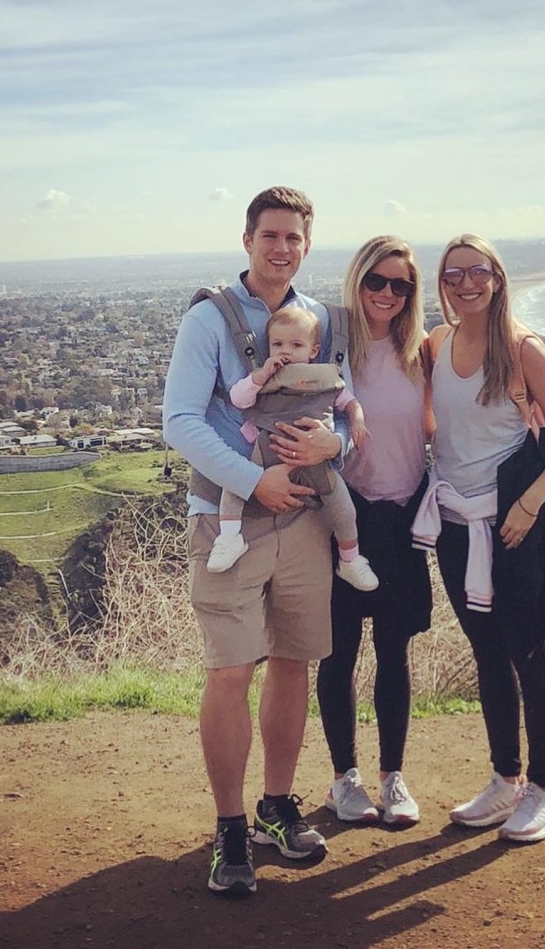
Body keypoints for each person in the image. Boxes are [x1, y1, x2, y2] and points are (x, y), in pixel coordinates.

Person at [163, 186, 345, 896]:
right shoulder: (210, 318)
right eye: (270, 235)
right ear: (247, 240)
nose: (282, 248)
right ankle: (230, 826)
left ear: (307, 244)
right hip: (227, 517)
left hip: (302, 515)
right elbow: (180, 419)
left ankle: (276, 804)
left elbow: (339, 403)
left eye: (294, 237)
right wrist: (252, 479)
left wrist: (337, 441)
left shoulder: (318, 318)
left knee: (293, 662)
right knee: (232, 670)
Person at [415, 233, 545, 843]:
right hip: (456, 523)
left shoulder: (521, 350)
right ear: (443, 284)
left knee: (527, 651)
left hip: (514, 526)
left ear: (497, 278)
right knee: (487, 652)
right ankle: (506, 780)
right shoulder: (437, 343)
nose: (467, 283)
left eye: (478, 271)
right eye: (454, 274)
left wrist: (529, 503)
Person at [315, 237, 433, 827]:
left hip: (403, 515)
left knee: (394, 651)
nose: (387, 293)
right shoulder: (331, 347)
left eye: (400, 285)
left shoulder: (422, 353)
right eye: (376, 281)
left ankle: (392, 777)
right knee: (338, 653)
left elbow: (483, 374)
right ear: (357, 280)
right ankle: (344, 780)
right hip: (344, 519)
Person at [207, 303, 378, 592]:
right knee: (234, 484)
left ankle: (350, 559)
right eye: (278, 344)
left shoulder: (327, 378)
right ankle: (229, 537)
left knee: (343, 508)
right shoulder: (266, 377)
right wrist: (260, 376)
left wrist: (357, 424)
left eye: (296, 345)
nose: (286, 351)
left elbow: (350, 403)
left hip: (316, 461)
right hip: (267, 452)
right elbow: (239, 399)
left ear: (313, 350)